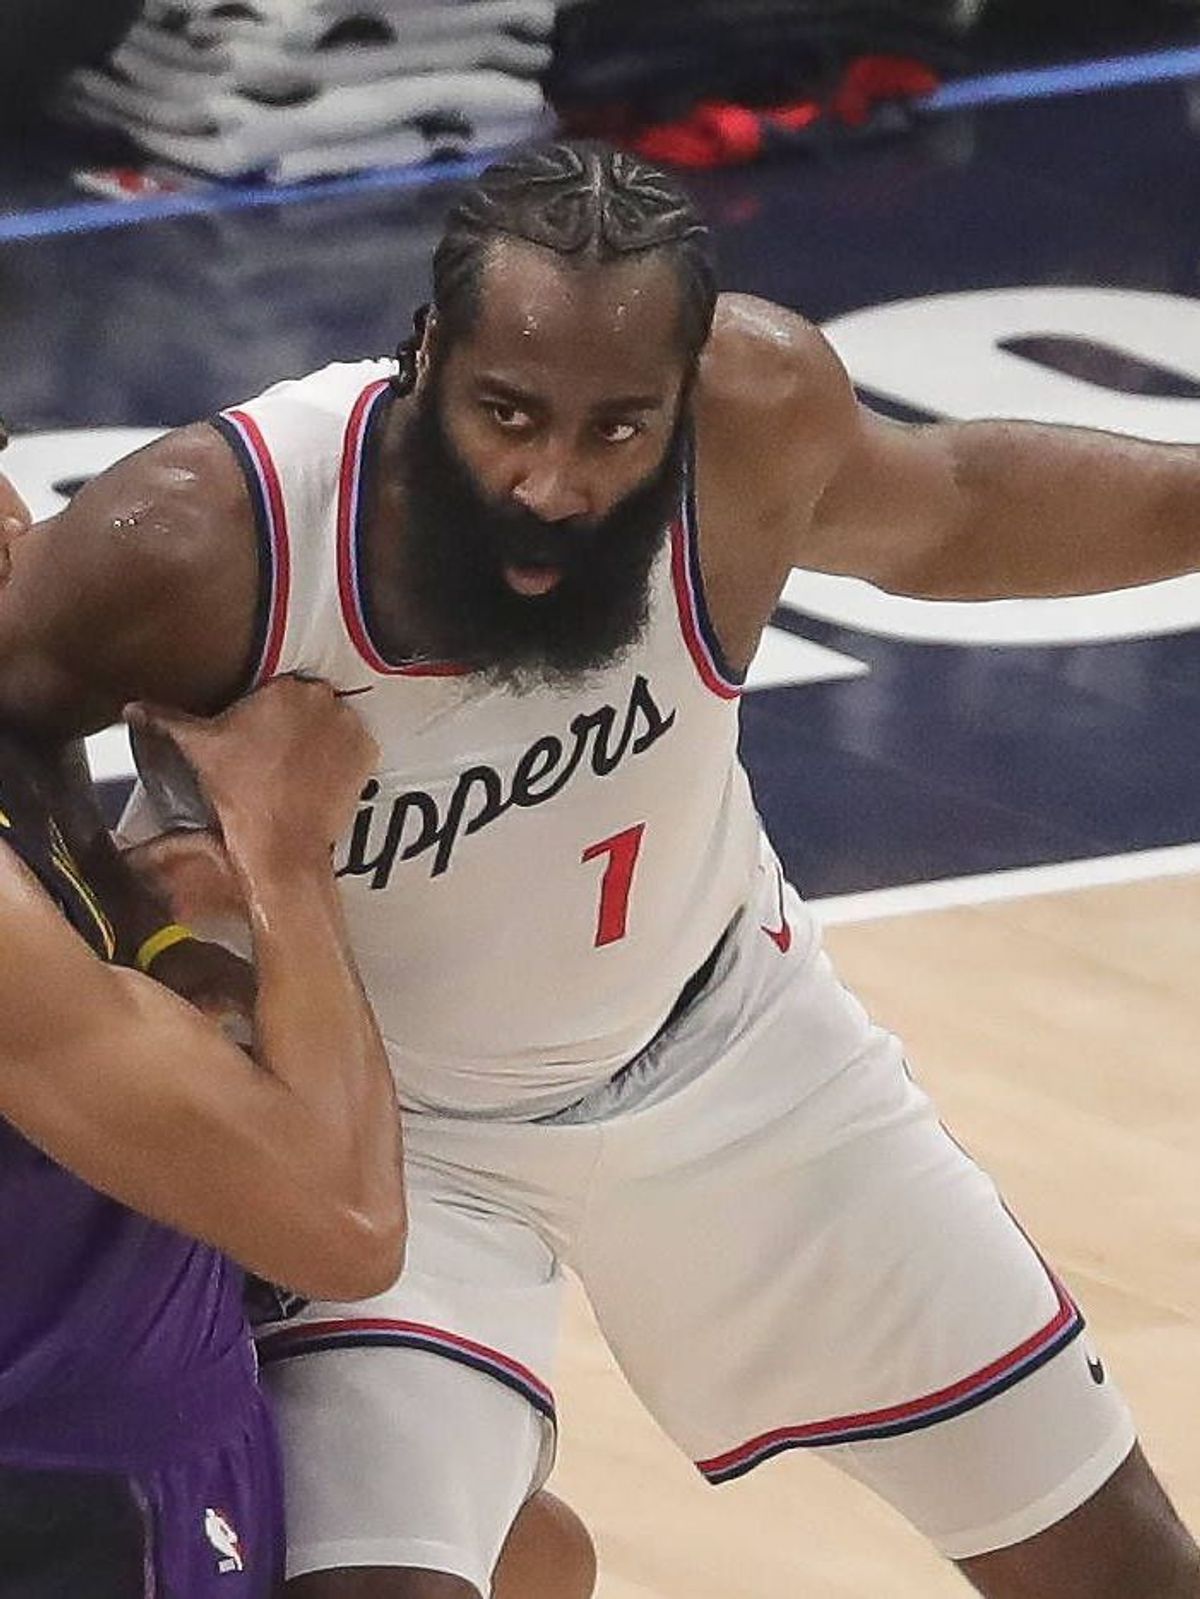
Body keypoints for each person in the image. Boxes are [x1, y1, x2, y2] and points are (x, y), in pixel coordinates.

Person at [0, 139, 1198, 1599]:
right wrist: (157, 930)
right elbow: (13, 745)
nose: (555, 482)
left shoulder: (757, 417)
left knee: (1121, 1563)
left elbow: (950, 506)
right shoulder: (200, 538)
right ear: (426, 355)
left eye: (615, 430)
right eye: (507, 415)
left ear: (689, 390)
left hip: (738, 1055)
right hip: (402, 1143)